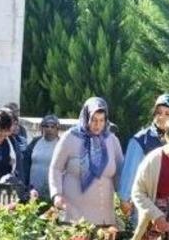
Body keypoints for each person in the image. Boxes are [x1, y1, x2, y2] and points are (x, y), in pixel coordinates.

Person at [49, 97, 127, 226]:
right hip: (74, 215)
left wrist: (124, 198)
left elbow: (119, 172)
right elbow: (55, 168)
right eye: (94, 120)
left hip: (104, 215)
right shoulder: (70, 137)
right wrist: (56, 194)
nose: (98, 125)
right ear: (86, 117)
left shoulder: (112, 140)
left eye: (102, 120)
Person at [118, 94, 169, 223]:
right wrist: (125, 199)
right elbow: (130, 173)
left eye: (168, 113)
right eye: (158, 113)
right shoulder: (141, 140)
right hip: (146, 206)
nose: (162, 117)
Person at [23, 114, 60, 199]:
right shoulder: (35, 142)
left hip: (52, 190)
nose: (49, 129)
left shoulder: (61, 144)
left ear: (57, 129)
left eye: (53, 126)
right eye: (46, 126)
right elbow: (25, 163)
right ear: (42, 128)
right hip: (33, 189)